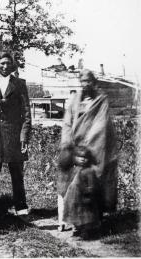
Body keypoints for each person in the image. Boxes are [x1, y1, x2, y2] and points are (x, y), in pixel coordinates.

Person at [58, 69, 118, 239]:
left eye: (89, 81)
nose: (86, 84)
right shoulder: (75, 100)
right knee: (73, 186)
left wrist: (86, 149)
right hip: (75, 149)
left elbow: (100, 126)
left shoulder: (101, 101)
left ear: (94, 83)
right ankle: (77, 223)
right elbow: (67, 123)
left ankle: (93, 223)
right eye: (83, 81)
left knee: (90, 186)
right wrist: (67, 145)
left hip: (94, 151)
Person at [0, 51, 31, 216]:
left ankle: (21, 207)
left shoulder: (19, 84)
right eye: (2, 63)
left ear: (12, 65)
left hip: (14, 135)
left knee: (16, 172)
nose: (5, 66)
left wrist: (24, 137)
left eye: (8, 63)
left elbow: (26, 114)